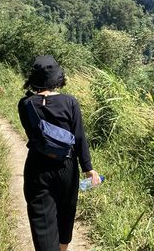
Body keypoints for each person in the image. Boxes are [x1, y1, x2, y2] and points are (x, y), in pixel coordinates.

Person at [18, 55, 101, 251]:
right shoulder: (70, 102)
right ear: (57, 78)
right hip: (67, 166)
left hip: (37, 168)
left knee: (42, 222)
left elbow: (31, 132)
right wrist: (89, 169)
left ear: (34, 79)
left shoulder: (25, 104)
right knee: (65, 216)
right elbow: (79, 137)